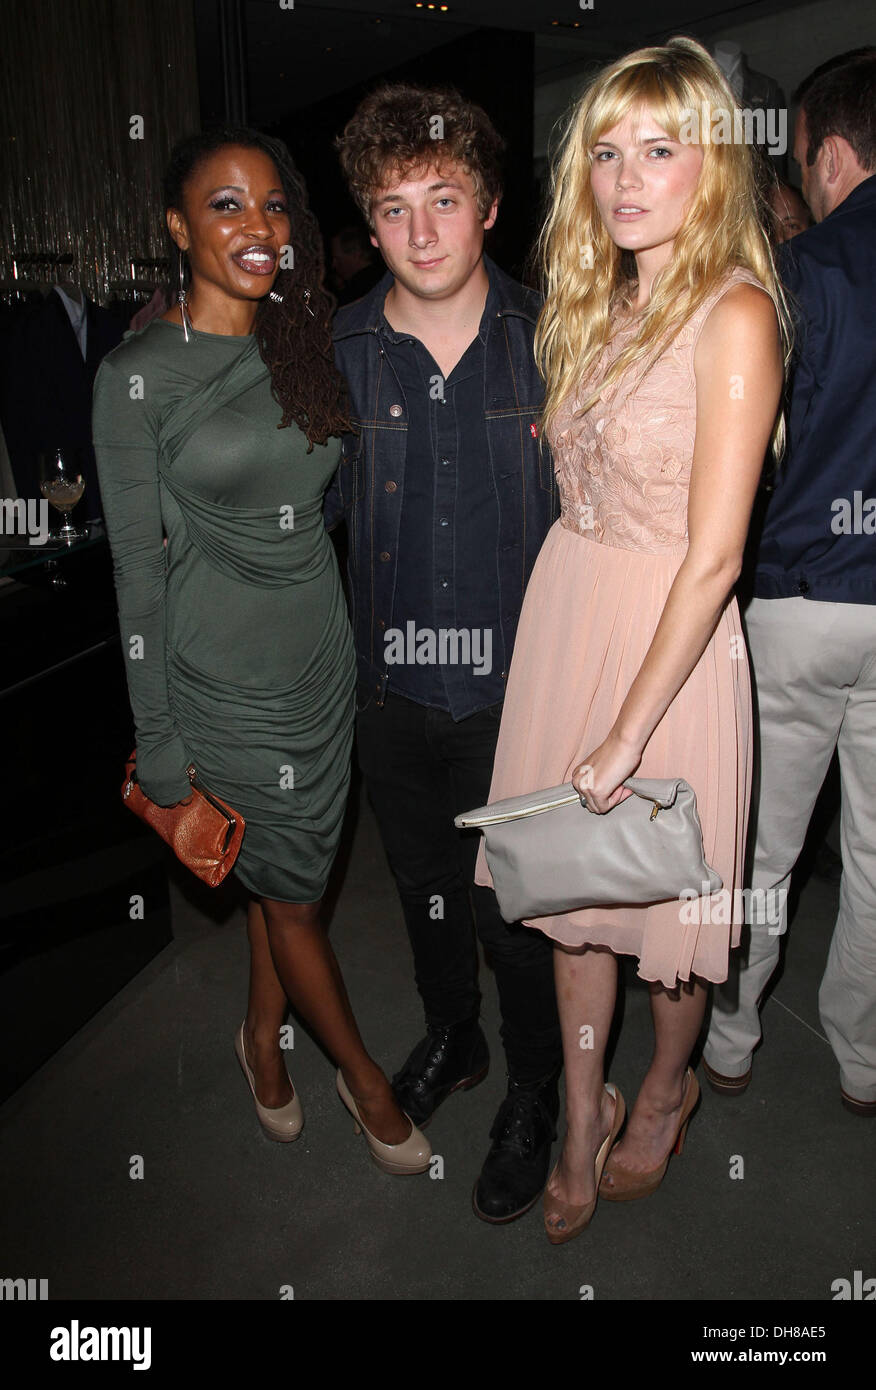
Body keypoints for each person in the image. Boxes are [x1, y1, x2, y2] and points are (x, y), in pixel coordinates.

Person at [474, 36, 789, 1242]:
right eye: (606, 151)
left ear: (712, 166)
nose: (626, 177)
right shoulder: (598, 302)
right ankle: (576, 1114)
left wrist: (621, 731)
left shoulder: (737, 313)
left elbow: (715, 558)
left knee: (664, 930)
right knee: (570, 904)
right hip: (574, 621)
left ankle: (662, 1089)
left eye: (661, 149)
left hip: (675, 644)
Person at [92, 127, 430, 1175]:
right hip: (222, 683)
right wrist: (158, 743)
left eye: (275, 206)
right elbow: (136, 578)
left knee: (289, 878)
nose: (258, 226)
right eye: (226, 205)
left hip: (318, 661)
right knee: (291, 895)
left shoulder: (303, 339)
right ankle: (366, 1082)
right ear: (179, 227)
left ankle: (255, 1038)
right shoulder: (137, 376)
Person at [327, 84, 564, 1223]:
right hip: (389, 692)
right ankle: (453, 1039)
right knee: (420, 891)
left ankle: (537, 1090)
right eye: (391, 207)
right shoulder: (334, 355)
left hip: (520, 696)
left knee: (512, 919)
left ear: (489, 208)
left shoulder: (556, 341)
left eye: (444, 199)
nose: (420, 232)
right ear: (367, 226)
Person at [703, 49, 876, 1118]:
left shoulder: (799, 278)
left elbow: (751, 456)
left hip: (803, 596)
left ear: (834, 154)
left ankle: (728, 1034)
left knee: (760, 841)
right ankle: (863, 1056)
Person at [329, 224, 384, 305]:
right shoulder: (384, 278)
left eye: (337, 259)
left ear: (355, 254)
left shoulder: (354, 292)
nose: (334, 265)